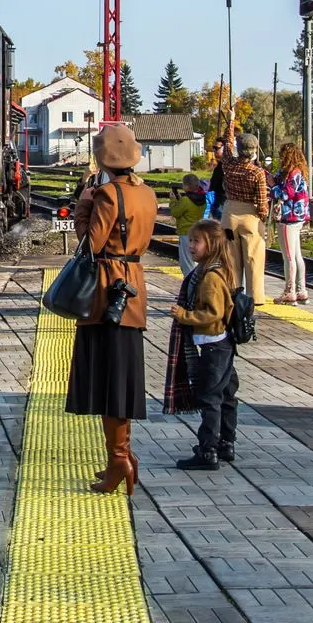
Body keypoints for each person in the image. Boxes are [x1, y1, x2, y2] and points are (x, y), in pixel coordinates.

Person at [65, 125, 158, 495]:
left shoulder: (105, 194)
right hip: (133, 287)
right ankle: (122, 456)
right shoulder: (147, 194)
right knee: (122, 377)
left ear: (104, 159)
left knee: (107, 380)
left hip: (105, 292)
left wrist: (83, 206)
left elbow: (91, 243)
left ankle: (119, 460)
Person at [165, 221, 239, 469]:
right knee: (226, 395)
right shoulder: (219, 270)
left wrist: (184, 316)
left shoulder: (209, 277)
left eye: (197, 241)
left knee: (209, 398)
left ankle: (208, 451)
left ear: (212, 245)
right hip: (222, 344)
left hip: (212, 345)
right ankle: (226, 444)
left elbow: (213, 313)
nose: (190, 245)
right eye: (191, 240)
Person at [221, 133, 269, 305]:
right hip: (251, 215)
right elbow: (262, 202)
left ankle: (232, 292)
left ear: (238, 149)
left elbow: (227, 145)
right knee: (253, 257)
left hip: (229, 214)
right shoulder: (257, 173)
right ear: (254, 150)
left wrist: (232, 121)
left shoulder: (228, 164)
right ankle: (255, 297)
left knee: (230, 256)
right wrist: (263, 218)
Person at [270, 142, 312, 304]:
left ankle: (290, 291)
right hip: (298, 217)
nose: (280, 158)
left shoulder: (293, 174)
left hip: (289, 218)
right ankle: (301, 290)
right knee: (296, 255)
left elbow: (286, 193)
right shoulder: (298, 172)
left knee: (288, 257)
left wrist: (273, 185)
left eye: (282, 155)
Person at [169, 173, 206, 276]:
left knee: (186, 263)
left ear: (185, 186)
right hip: (198, 231)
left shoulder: (186, 200)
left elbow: (175, 212)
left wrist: (173, 201)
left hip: (185, 232)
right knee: (194, 261)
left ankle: (189, 285)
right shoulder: (202, 198)